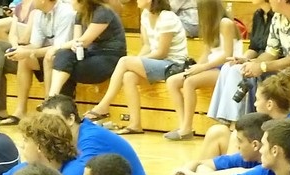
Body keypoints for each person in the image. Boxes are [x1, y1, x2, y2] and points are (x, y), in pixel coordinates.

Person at [81, 0, 188, 135]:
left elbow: (162, 52)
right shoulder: (145, 15)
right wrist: (136, 62)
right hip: (158, 63)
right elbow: (147, 46)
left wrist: (135, 61)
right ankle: (135, 124)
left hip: (174, 64)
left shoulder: (167, 17)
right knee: (128, 76)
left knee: (125, 61)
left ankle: (103, 106)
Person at [40, 95, 156, 175]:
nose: (48, 126)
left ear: (71, 119)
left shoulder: (92, 138)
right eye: (44, 121)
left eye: (53, 119)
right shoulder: (69, 140)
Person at [164, 0, 242, 140]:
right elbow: (206, 53)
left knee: (189, 82)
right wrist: (194, 69)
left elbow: (228, 54)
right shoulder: (209, 26)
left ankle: (187, 128)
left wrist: (202, 67)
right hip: (212, 66)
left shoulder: (226, 23)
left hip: (226, 68)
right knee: (172, 81)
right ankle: (183, 124)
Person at [0, 0, 76, 126]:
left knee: (49, 56)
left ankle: (48, 106)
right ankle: (20, 111)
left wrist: (28, 52)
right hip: (46, 53)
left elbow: (60, 47)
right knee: (24, 59)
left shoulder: (66, 13)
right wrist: (20, 50)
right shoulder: (39, 13)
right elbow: (36, 44)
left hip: (66, 55)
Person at [198, 69, 290, 161]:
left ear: (269, 104)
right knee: (217, 132)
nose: (255, 104)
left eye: (257, 100)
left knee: (237, 136)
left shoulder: (289, 127)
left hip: (260, 167)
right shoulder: (266, 120)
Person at [206, 0, 274, 124]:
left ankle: (235, 121)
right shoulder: (258, 15)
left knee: (237, 71)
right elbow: (254, 47)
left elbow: (272, 53)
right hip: (256, 59)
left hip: (269, 62)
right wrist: (241, 59)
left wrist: (249, 61)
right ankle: (222, 118)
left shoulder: (276, 16)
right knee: (228, 66)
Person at [170, 112, 271, 175]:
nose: (237, 146)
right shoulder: (246, 157)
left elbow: (240, 173)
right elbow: (200, 163)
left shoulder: (268, 168)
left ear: (255, 145)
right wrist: (184, 172)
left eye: (240, 141)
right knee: (202, 170)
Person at [48, 0, 127, 98]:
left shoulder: (103, 12)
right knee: (62, 55)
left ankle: (55, 100)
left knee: (64, 66)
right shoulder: (80, 14)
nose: (70, 2)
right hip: (90, 54)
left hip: (109, 58)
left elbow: (84, 42)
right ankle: (53, 98)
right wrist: (62, 49)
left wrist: (57, 47)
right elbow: (76, 42)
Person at [0, 0, 37, 120]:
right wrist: (15, 47)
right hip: (21, 50)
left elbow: (27, 37)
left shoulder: (37, 6)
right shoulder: (19, 7)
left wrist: (20, 46)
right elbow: (12, 34)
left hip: (34, 55)